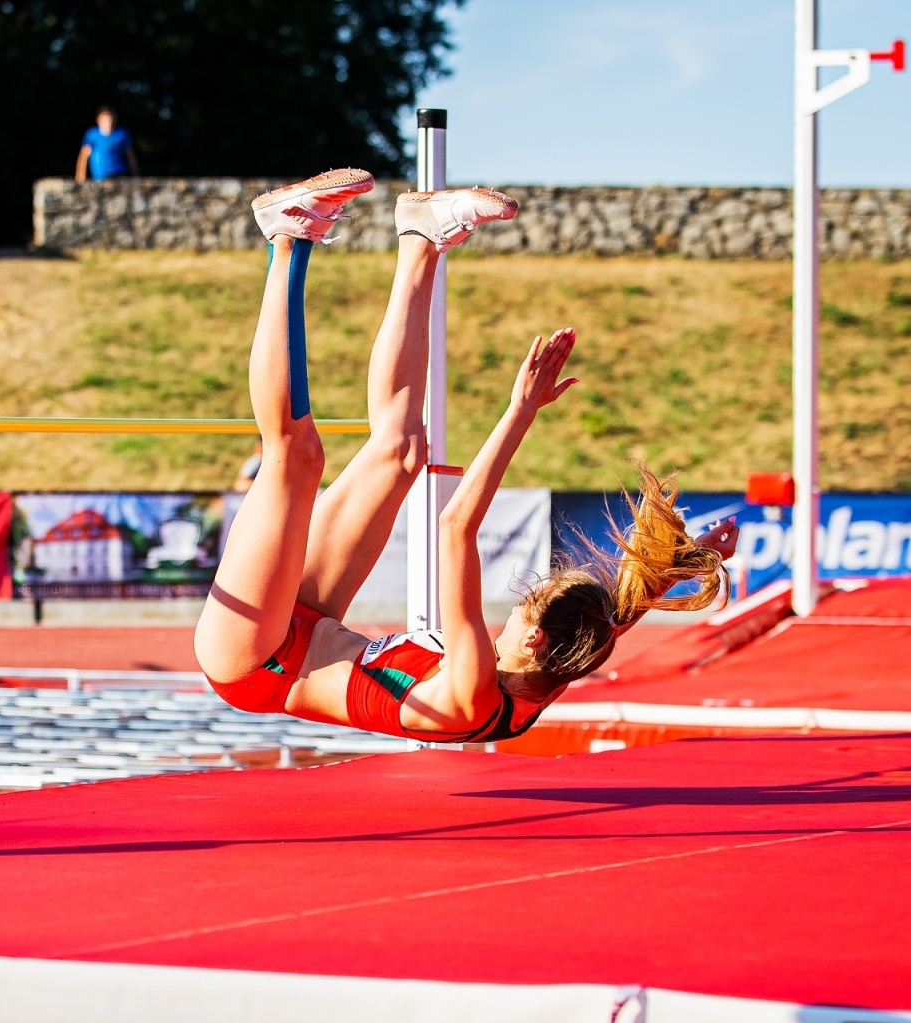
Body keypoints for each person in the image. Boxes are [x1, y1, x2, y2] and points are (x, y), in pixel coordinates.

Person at [194, 169, 739, 744]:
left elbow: (456, 527)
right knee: (402, 451)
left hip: (254, 662)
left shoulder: (474, 683)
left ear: (532, 642)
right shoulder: (558, 661)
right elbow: (615, 617)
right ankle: (421, 240)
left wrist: (522, 410)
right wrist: (675, 568)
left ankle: (288, 237)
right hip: (305, 628)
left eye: (523, 612)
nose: (512, 618)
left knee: (295, 457)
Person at [74, 107, 138, 183]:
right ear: (98, 120)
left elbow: (130, 155)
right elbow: (83, 156)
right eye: (104, 119)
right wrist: (80, 177)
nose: (108, 122)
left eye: (109, 119)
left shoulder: (122, 134)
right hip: (100, 176)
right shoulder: (92, 135)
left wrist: (136, 175)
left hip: (119, 175)